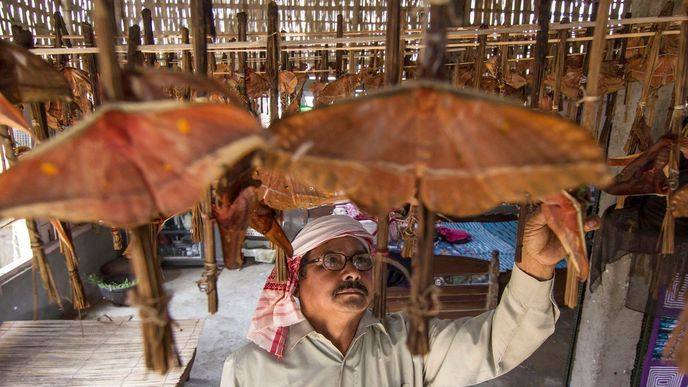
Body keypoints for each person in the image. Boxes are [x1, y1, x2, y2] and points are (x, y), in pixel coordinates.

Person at [221, 211, 598, 386]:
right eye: (332, 260)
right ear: (295, 278)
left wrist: (533, 267)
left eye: (362, 260)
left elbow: (495, 346)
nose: (352, 271)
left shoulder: (409, 344)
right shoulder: (250, 370)